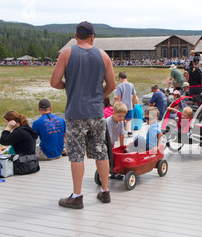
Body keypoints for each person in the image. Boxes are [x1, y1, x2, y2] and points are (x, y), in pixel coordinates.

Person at [50, 21, 117, 209]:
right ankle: (105, 191)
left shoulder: (67, 53)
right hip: (96, 113)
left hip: (75, 113)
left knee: (76, 155)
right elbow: (112, 86)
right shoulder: (103, 56)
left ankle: (77, 196)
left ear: (76, 35)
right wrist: (98, 97)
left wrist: (69, 86)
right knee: (101, 151)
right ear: (93, 36)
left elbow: (55, 82)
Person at [114, 71, 137, 137]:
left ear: (120, 78)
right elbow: (134, 95)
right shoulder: (131, 85)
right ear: (126, 78)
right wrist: (133, 103)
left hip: (122, 105)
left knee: (121, 119)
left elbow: (119, 97)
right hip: (129, 105)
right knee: (129, 120)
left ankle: (121, 132)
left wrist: (117, 105)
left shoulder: (119, 86)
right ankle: (129, 131)